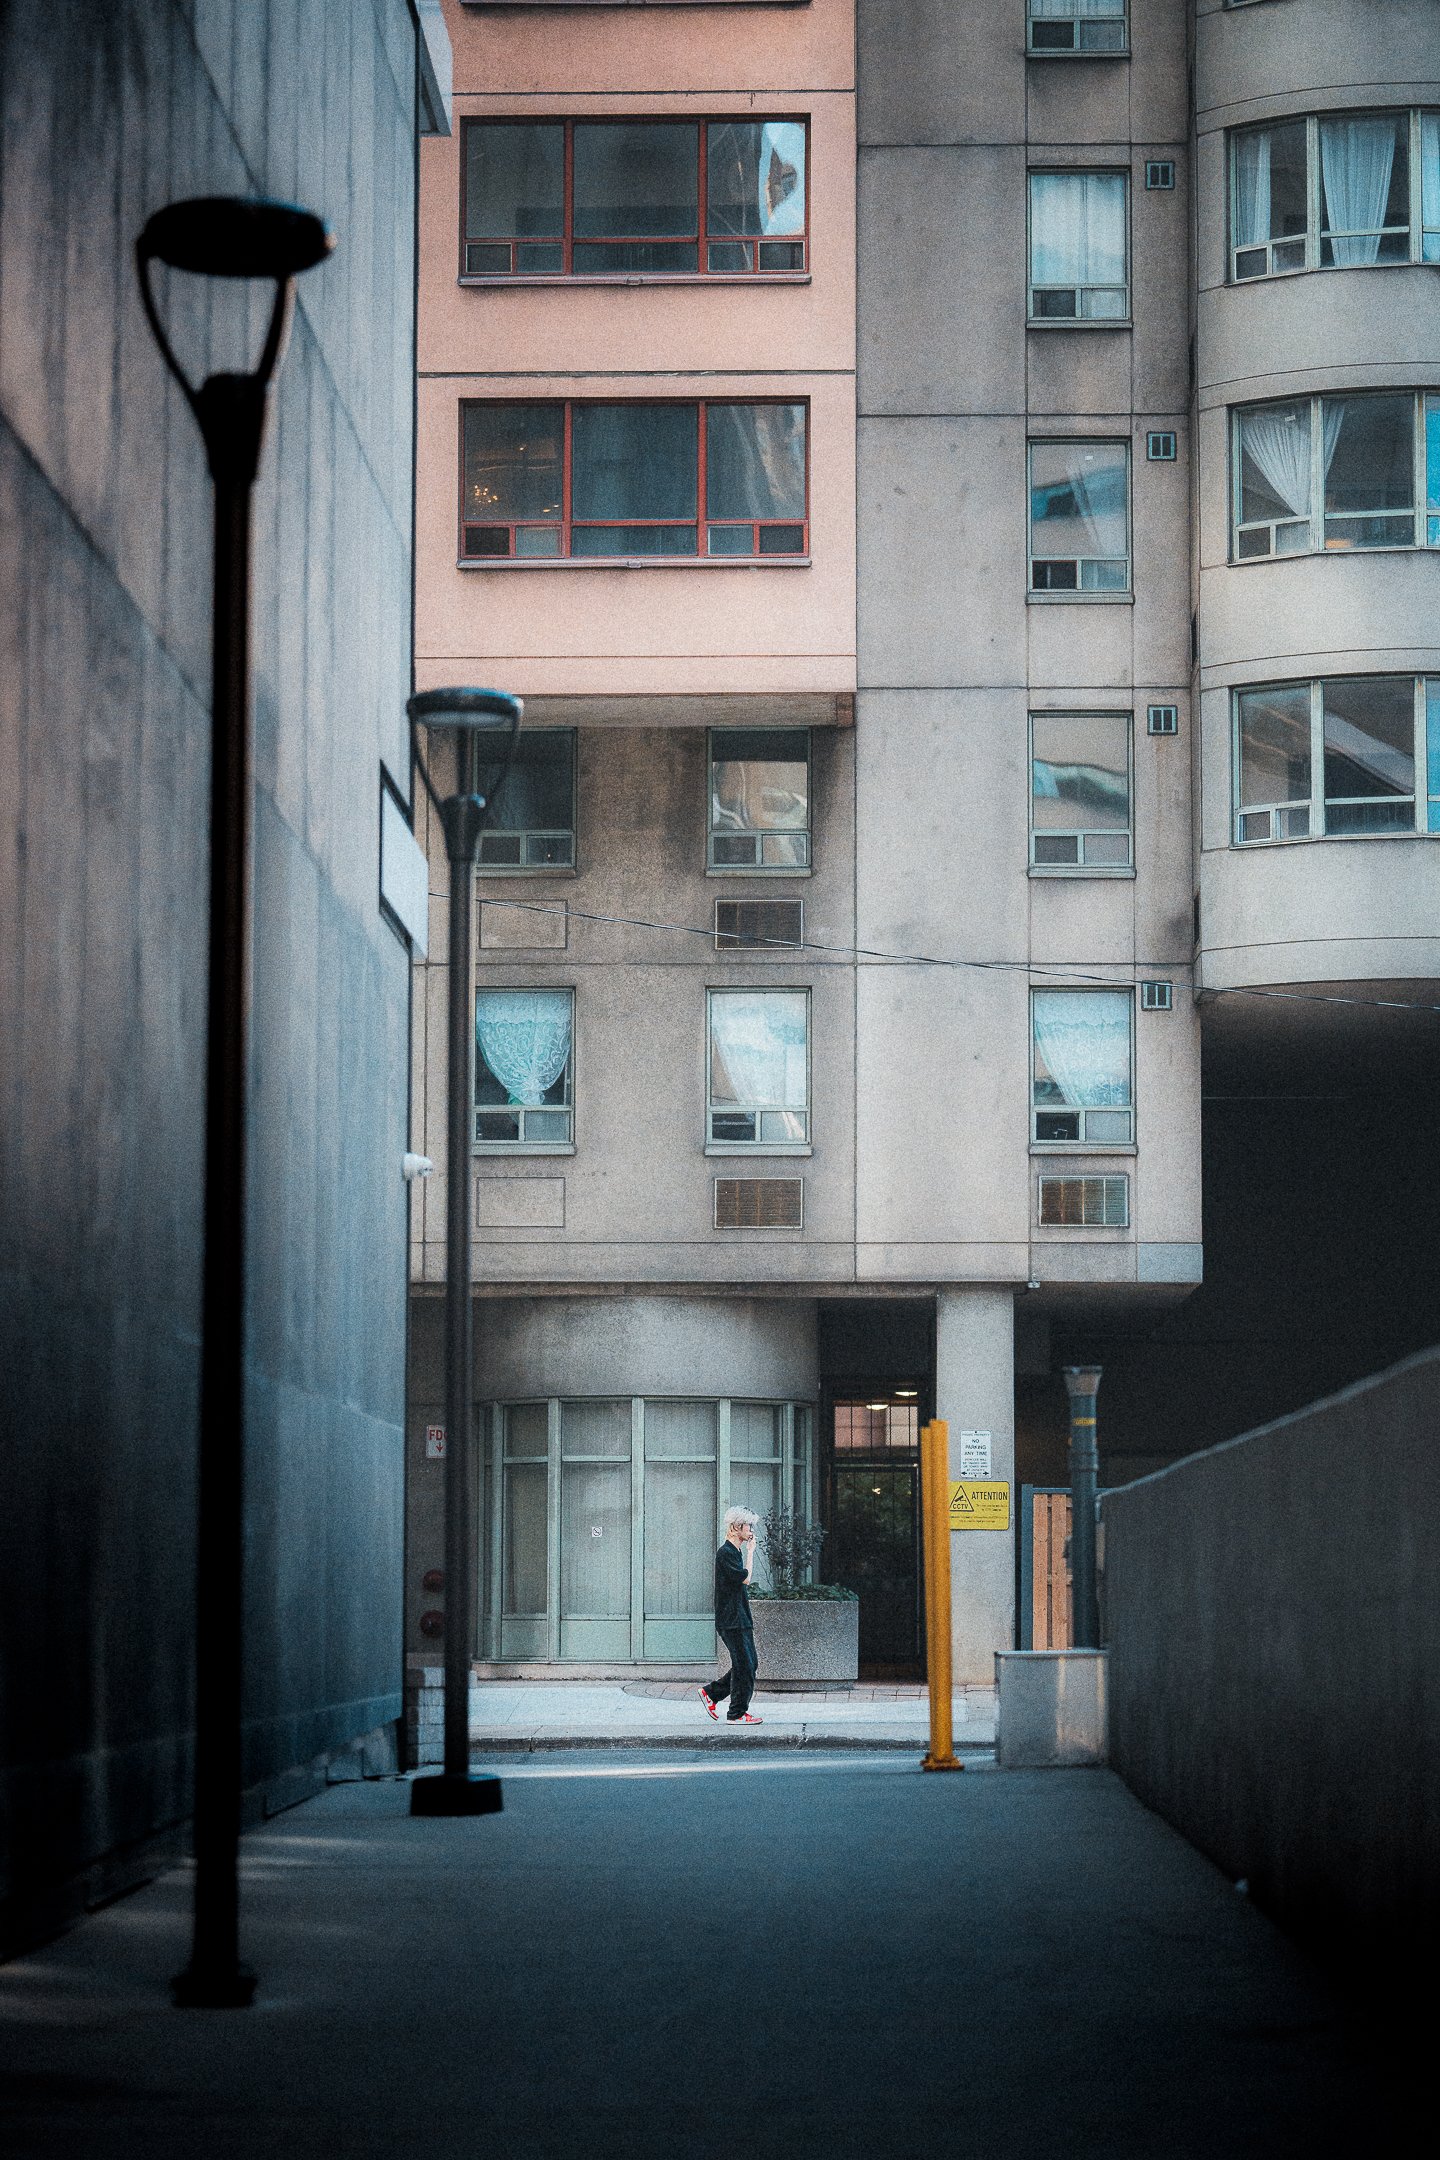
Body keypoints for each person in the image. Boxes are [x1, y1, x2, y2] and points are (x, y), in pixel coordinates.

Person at [699, 1507, 762, 1725]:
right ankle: (736, 1713)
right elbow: (744, 1578)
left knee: (749, 1663)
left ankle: (712, 1693)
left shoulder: (734, 1552)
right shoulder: (725, 1553)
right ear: (737, 1527)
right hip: (731, 1619)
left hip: (740, 1617)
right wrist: (752, 1552)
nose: (751, 1530)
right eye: (748, 1526)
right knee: (744, 1664)